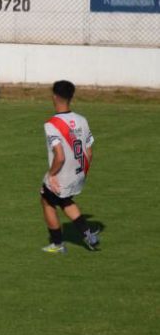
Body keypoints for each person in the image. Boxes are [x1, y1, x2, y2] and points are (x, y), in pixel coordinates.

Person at [40, 80, 101, 254]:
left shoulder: (51, 124)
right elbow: (89, 152)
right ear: (71, 97)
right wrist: (82, 173)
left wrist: (51, 174)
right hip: (79, 172)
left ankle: (58, 243)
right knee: (63, 200)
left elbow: (59, 156)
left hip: (62, 173)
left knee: (45, 199)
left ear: (54, 97)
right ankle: (87, 233)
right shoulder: (82, 120)